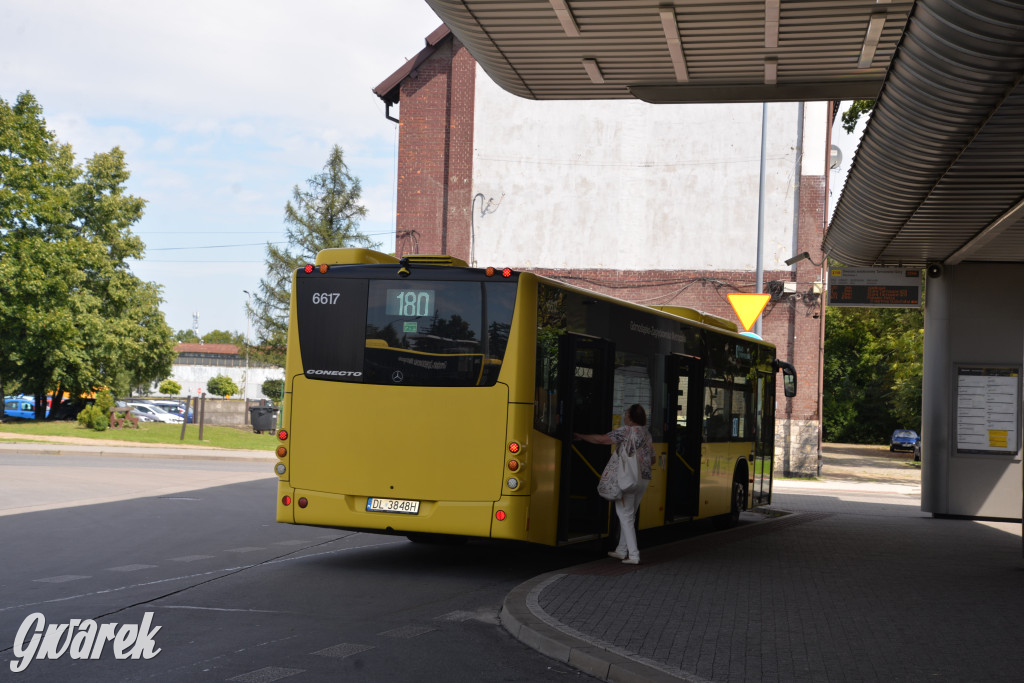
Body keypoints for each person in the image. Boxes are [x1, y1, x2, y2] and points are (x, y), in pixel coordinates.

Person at [573, 404, 654, 565]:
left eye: (626, 415)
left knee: (625, 516)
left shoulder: (626, 431)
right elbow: (653, 459)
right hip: (643, 479)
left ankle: (634, 555)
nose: (624, 417)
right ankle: (621, 550)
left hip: (628, 479)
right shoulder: (646, 434)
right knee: (630, 514)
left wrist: (581, 436)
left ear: (630, 418)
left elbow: (602, 439)